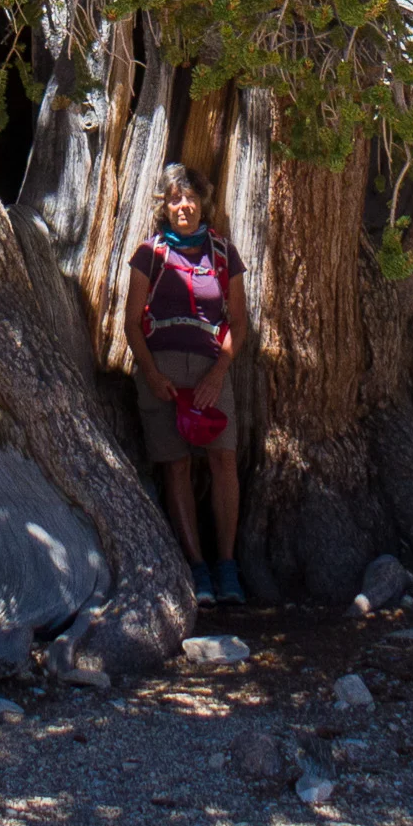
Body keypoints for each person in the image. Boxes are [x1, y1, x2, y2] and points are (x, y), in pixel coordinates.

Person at [124, 162, 248, 605]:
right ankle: (198, 569)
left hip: (211, 371)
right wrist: (153, 376)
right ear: (165, 205)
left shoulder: (222, 253)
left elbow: (238, 322)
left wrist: (219, 372)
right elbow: (132, 323)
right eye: (176, 199)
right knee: (176, 464)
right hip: (163, 375)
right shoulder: (149, 254)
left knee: (224, 461)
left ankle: (228, 566)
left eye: (191, 198)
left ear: (202, 204)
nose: (184, 206)